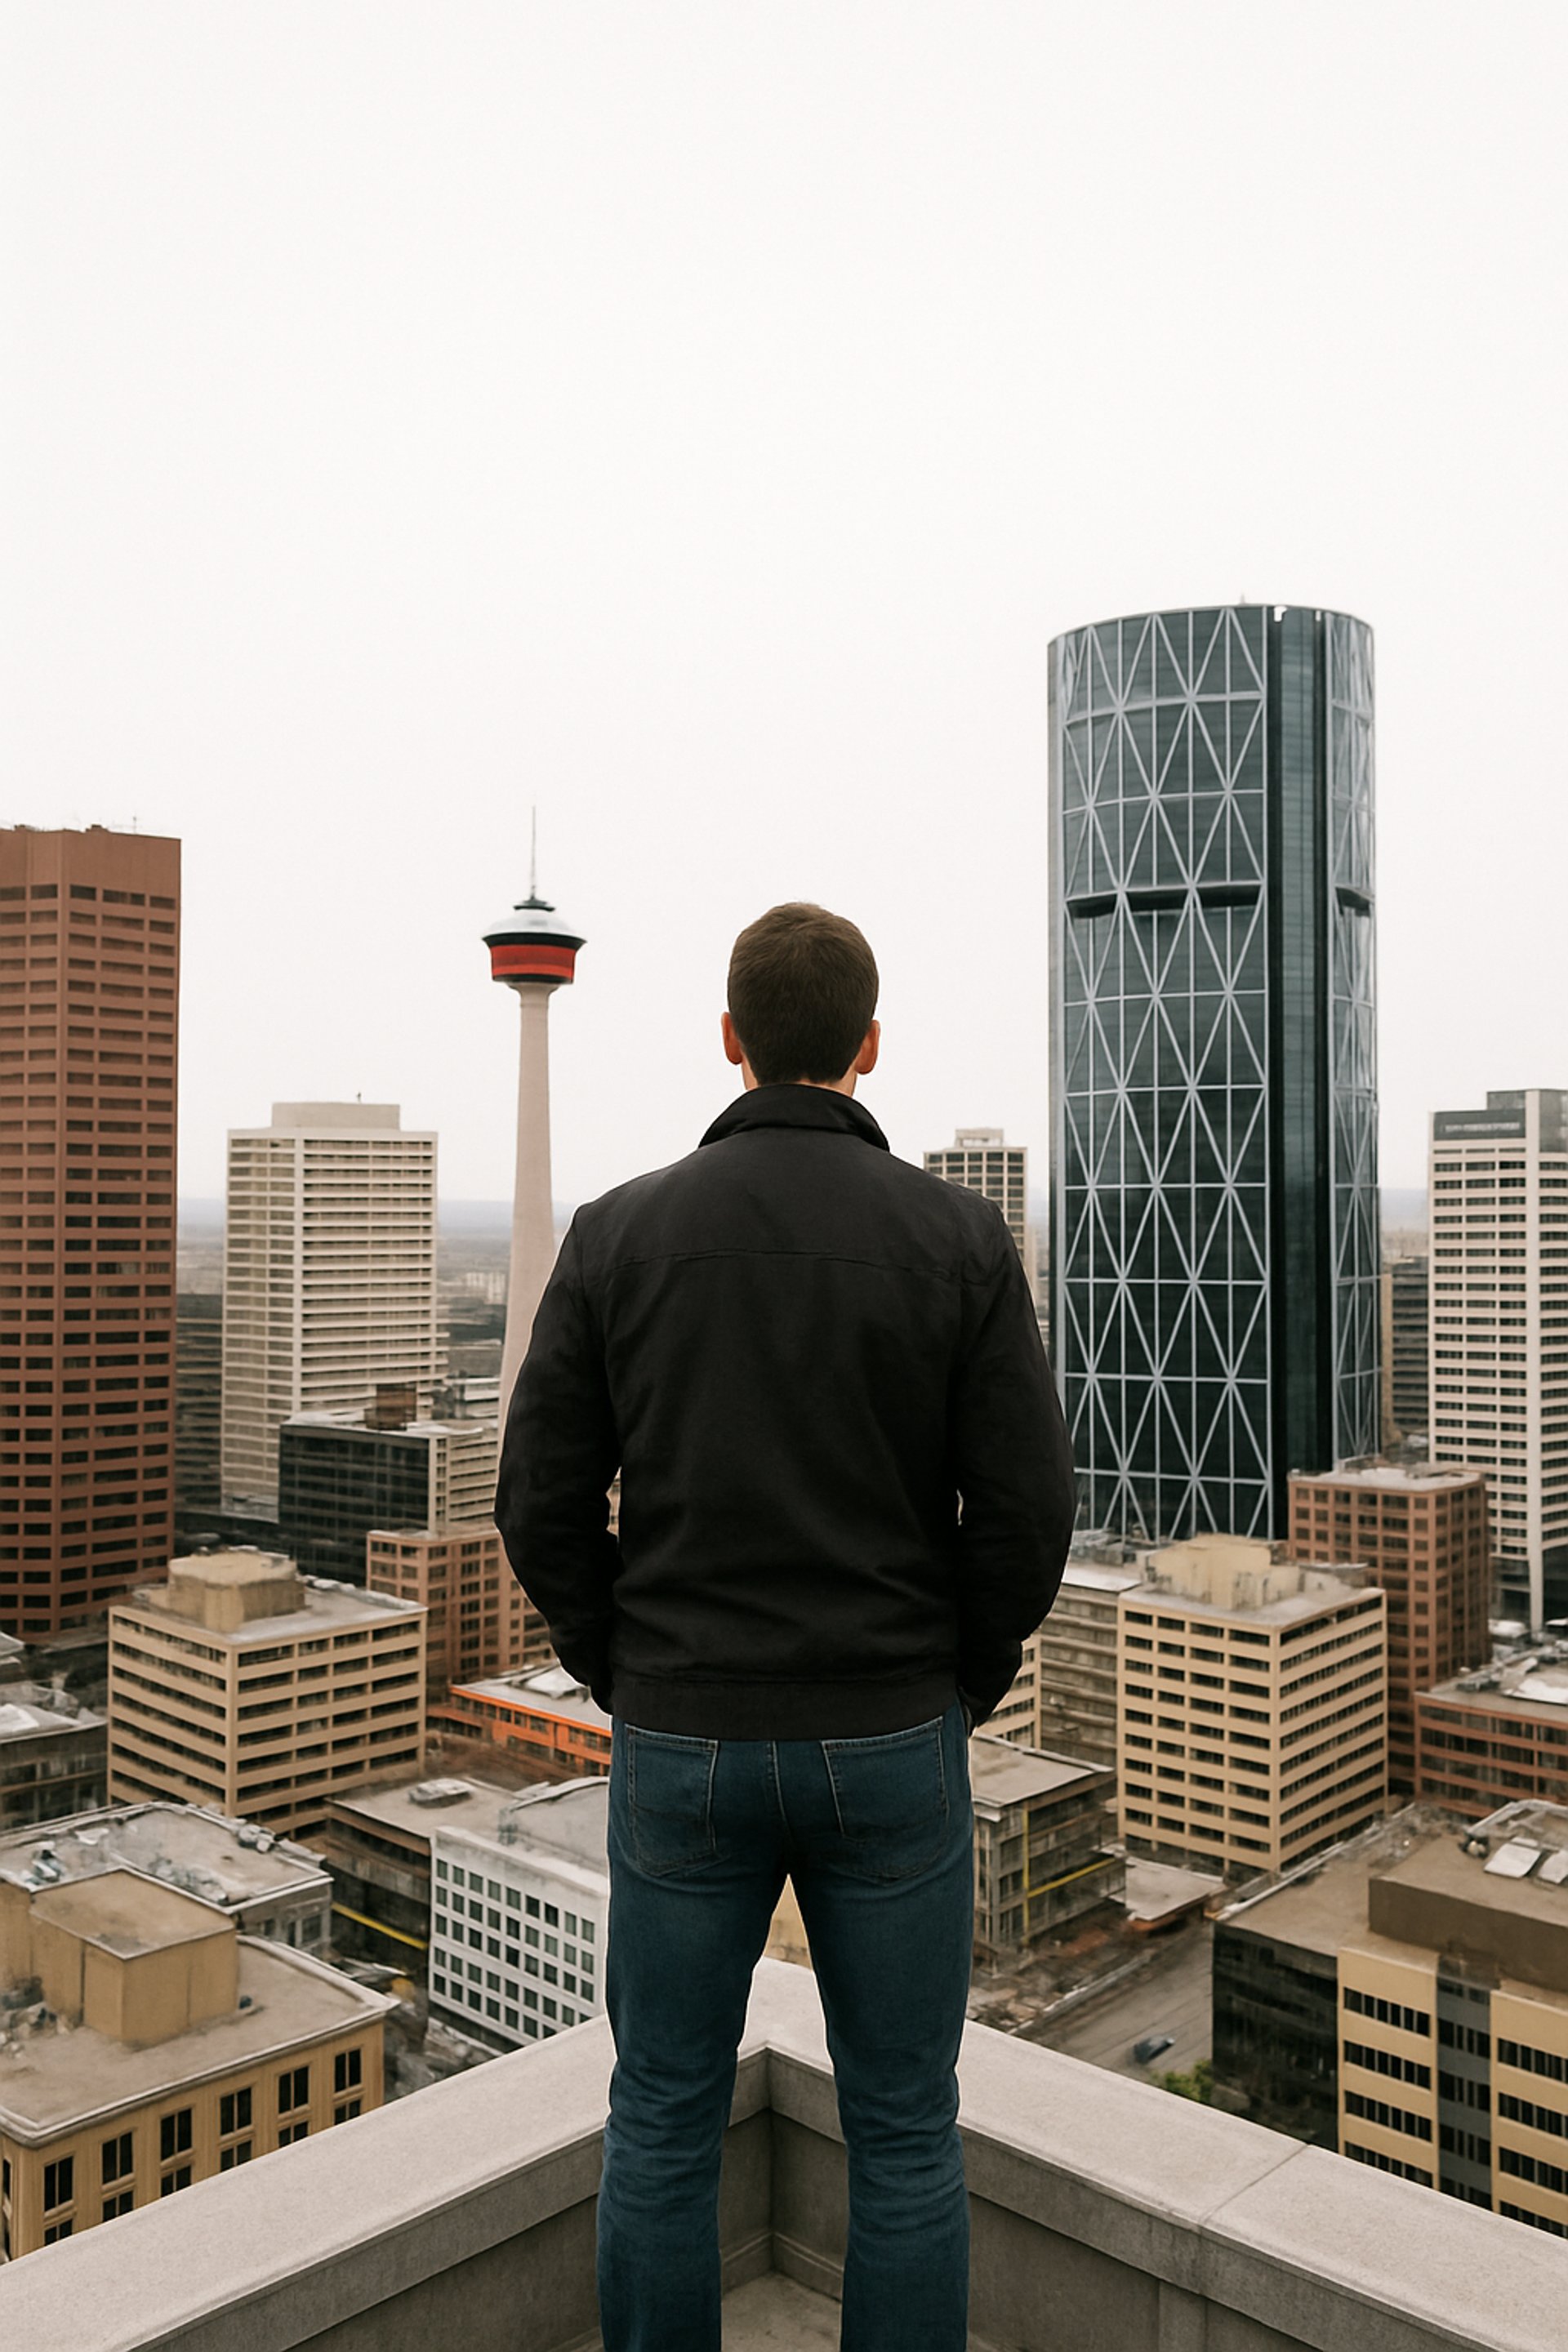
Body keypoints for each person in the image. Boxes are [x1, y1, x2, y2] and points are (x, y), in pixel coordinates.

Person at [496, 900, 1076, 2352]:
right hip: (890, 1735)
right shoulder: (958, 1237)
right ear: (868, 1048)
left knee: (661, 2117)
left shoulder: (619, 1234)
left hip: (684, 1731)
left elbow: (535, 1499)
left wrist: (621, 1664)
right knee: (903, 2131)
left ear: (732, 1044)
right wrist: (956, 1683)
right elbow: (1028, 1515)